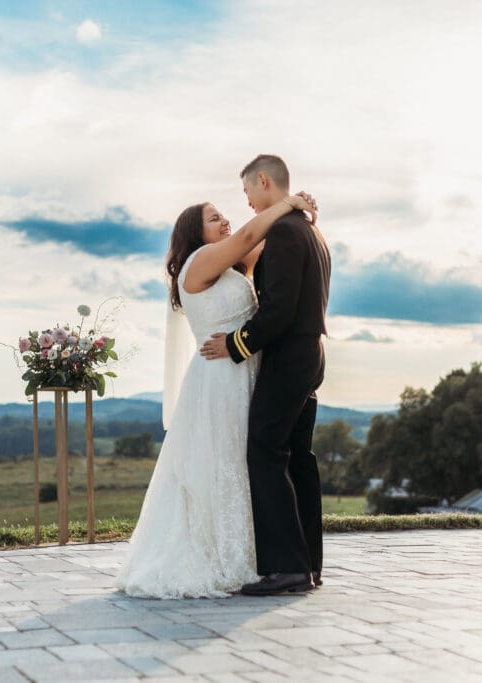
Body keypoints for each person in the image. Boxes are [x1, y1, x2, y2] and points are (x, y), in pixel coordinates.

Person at [114, 188, 317, 599]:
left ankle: (274, 557)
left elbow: (268, 243)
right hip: (220, 377)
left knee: (249, 464)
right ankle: (225, 556)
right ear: (194, 232)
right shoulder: (199, 263)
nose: (225, 220)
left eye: (225, 214)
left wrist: (303, 217)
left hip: (247, 371)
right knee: (227, 460)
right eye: (214, 218)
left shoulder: (231, 268)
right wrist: (289, 202)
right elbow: (246, 238)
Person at [201, 154, 331, 596]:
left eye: (247, 193)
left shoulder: (285, 233)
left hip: (289, 357)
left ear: (263, 181)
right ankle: (308, 564)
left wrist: (234, 344)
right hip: (310, 354)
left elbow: (277, 312)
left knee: (265, 452)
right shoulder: (309, 229)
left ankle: (286, 568)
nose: (249, 204)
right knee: (298, 457)